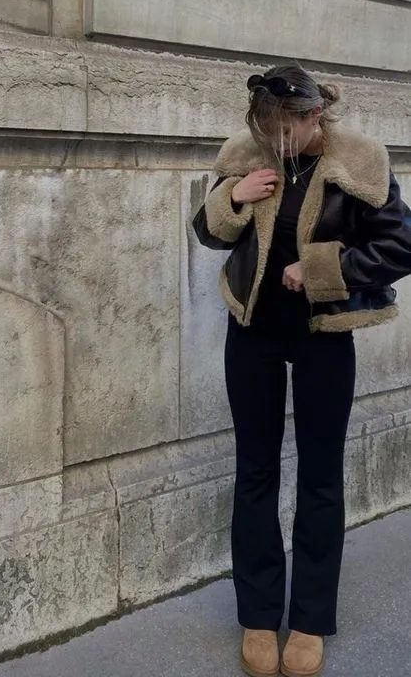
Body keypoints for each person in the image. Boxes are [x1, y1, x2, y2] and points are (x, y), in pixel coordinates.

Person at [193, 64, 411, 677]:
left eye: (287, 127)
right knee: (255, 473)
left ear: (315, 116)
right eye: (267, 127)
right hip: (253, 334)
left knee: (320, 476)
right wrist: (232, 198)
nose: (277, 140)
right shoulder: (246, 154)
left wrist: (319, 270)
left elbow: (401, 246)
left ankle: (310, 620)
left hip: (323, 336)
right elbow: (208, 233)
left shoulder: (361, 160)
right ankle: (259, 617)